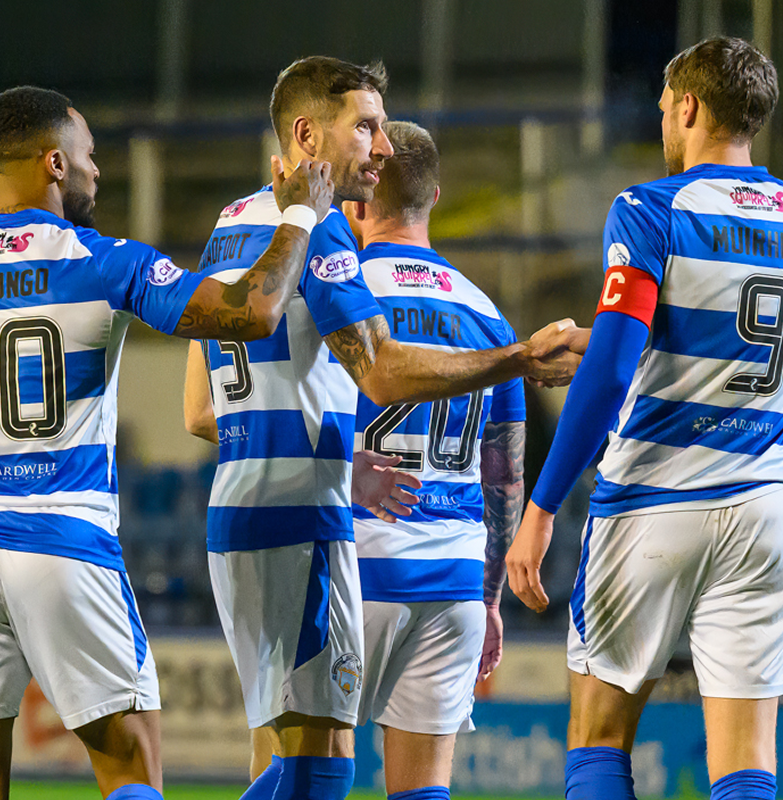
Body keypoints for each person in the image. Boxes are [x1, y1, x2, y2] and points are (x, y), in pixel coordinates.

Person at [0, 84, 344, 800]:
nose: (98, 169)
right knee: (129, 774)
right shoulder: (102, 261)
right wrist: (299, 214)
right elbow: (254, 312)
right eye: (89, 154)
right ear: (55, 164)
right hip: (62, 541)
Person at [187, 57, 583, 800]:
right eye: (366, 128)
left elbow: (199, 411)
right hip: (379, 550)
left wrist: (341, 459)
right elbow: (390, 379)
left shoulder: (232, 225)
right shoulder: (358, 255)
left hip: (274, 515)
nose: (380, 147)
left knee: (299, 764)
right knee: (327, 772)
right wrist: (519, 357)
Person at [505, 37, 783, 800]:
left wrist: (543, 504)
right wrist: (600, 342)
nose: (661, 124)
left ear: (688, 106)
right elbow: (725, 341)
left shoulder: (651, 209)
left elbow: (618, 369)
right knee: (747, 760)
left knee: (597, 736)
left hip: (657, 499)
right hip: (766, 505)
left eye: (663, 109)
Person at [340, 121, 527, 800]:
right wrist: (489, 597)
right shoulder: (489, 317)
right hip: (453, 577)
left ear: (358, 197)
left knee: (299, 772)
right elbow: (504, 472)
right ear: (436, 196)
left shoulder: (341, 294)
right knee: (424, 792)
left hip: (355, 564)